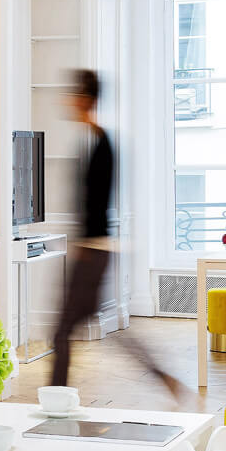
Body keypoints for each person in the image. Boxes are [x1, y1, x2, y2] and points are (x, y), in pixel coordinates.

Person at [51, 70, 180, 395]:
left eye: (73, 94)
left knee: (61, 333)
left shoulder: (100, 143)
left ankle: (53, 400)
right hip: (94, 250)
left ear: (85, 99)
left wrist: (83, 247)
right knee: (81, 330)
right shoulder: (96, 139)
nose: (67, 100)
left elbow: (96, 203)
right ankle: (164, 378)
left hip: (92, 251)